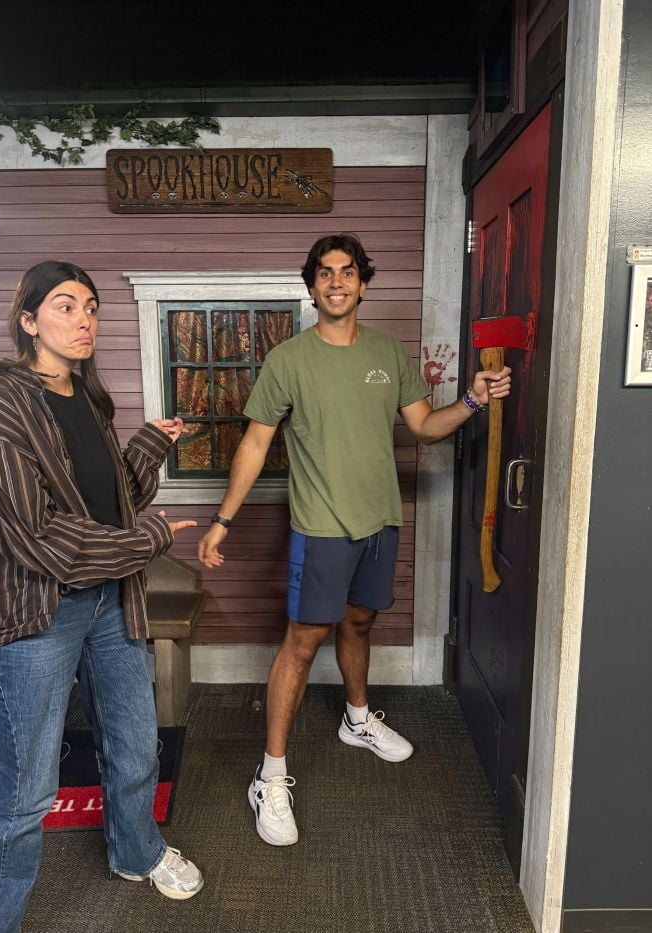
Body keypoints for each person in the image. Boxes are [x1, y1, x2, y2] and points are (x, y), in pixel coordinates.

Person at [197, 233, 511, 847]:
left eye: (347, 272)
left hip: (379, 521)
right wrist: (222, 520)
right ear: (312, 287)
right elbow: (256, 443)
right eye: (325, 273)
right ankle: (271, 775)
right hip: (321, 526)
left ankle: (357, 720)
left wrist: (473, 401)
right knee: (303, 641)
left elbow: (425, 428)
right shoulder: (288, 360)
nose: (336, 281)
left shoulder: (388, 353)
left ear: (363, 284)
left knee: (360, 621)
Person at [0, 261, 203, 933]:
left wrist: (148, 444)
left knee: (136, 744)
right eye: (65, 306)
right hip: (39, 610)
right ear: (29, 321)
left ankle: (137, 851)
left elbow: (109, 503)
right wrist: (148, 541)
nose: (84, 318)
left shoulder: (87, 400)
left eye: (91, 307)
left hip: (110, 601)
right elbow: (36, 532)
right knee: (21, 788)